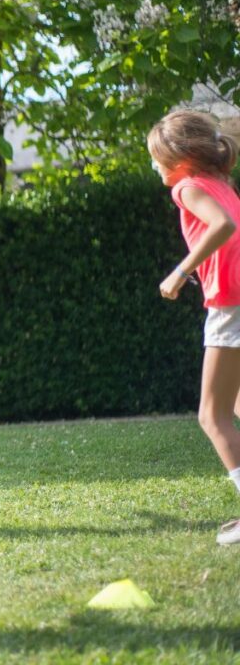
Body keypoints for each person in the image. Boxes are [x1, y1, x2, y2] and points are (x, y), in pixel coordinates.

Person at [151, 110, 240, 546]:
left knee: (212, 414)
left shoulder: (187, 188)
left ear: (180, 157)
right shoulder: (219, 183)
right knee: (237, 403)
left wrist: (181, 272)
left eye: (158, 158)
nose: (155, 167)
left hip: (231, 303)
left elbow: (225, 227)